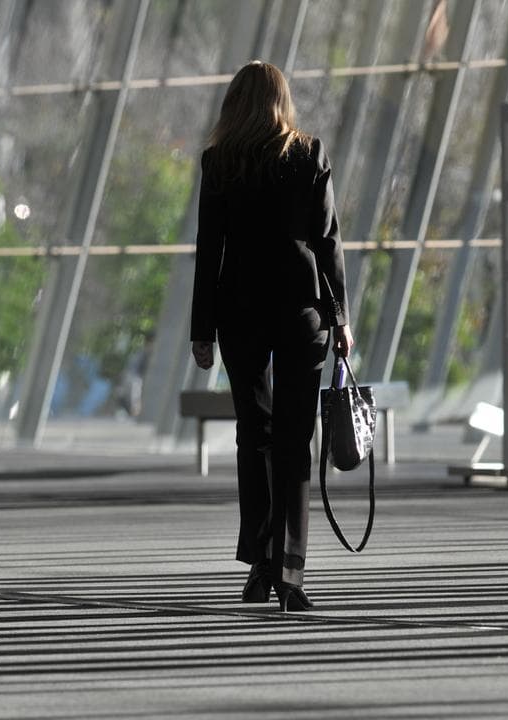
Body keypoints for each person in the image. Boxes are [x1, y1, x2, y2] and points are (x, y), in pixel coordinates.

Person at [190, 61, 354, 612]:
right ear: (282, 101)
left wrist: (202, 329)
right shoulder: (308, 155)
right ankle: (292, 574)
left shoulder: (220, 162)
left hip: (239, 314)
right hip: (299, 312)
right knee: (293, 442)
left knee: (253, 436)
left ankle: (259, 566)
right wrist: (342, 317)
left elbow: (208, 249)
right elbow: (326, 240)